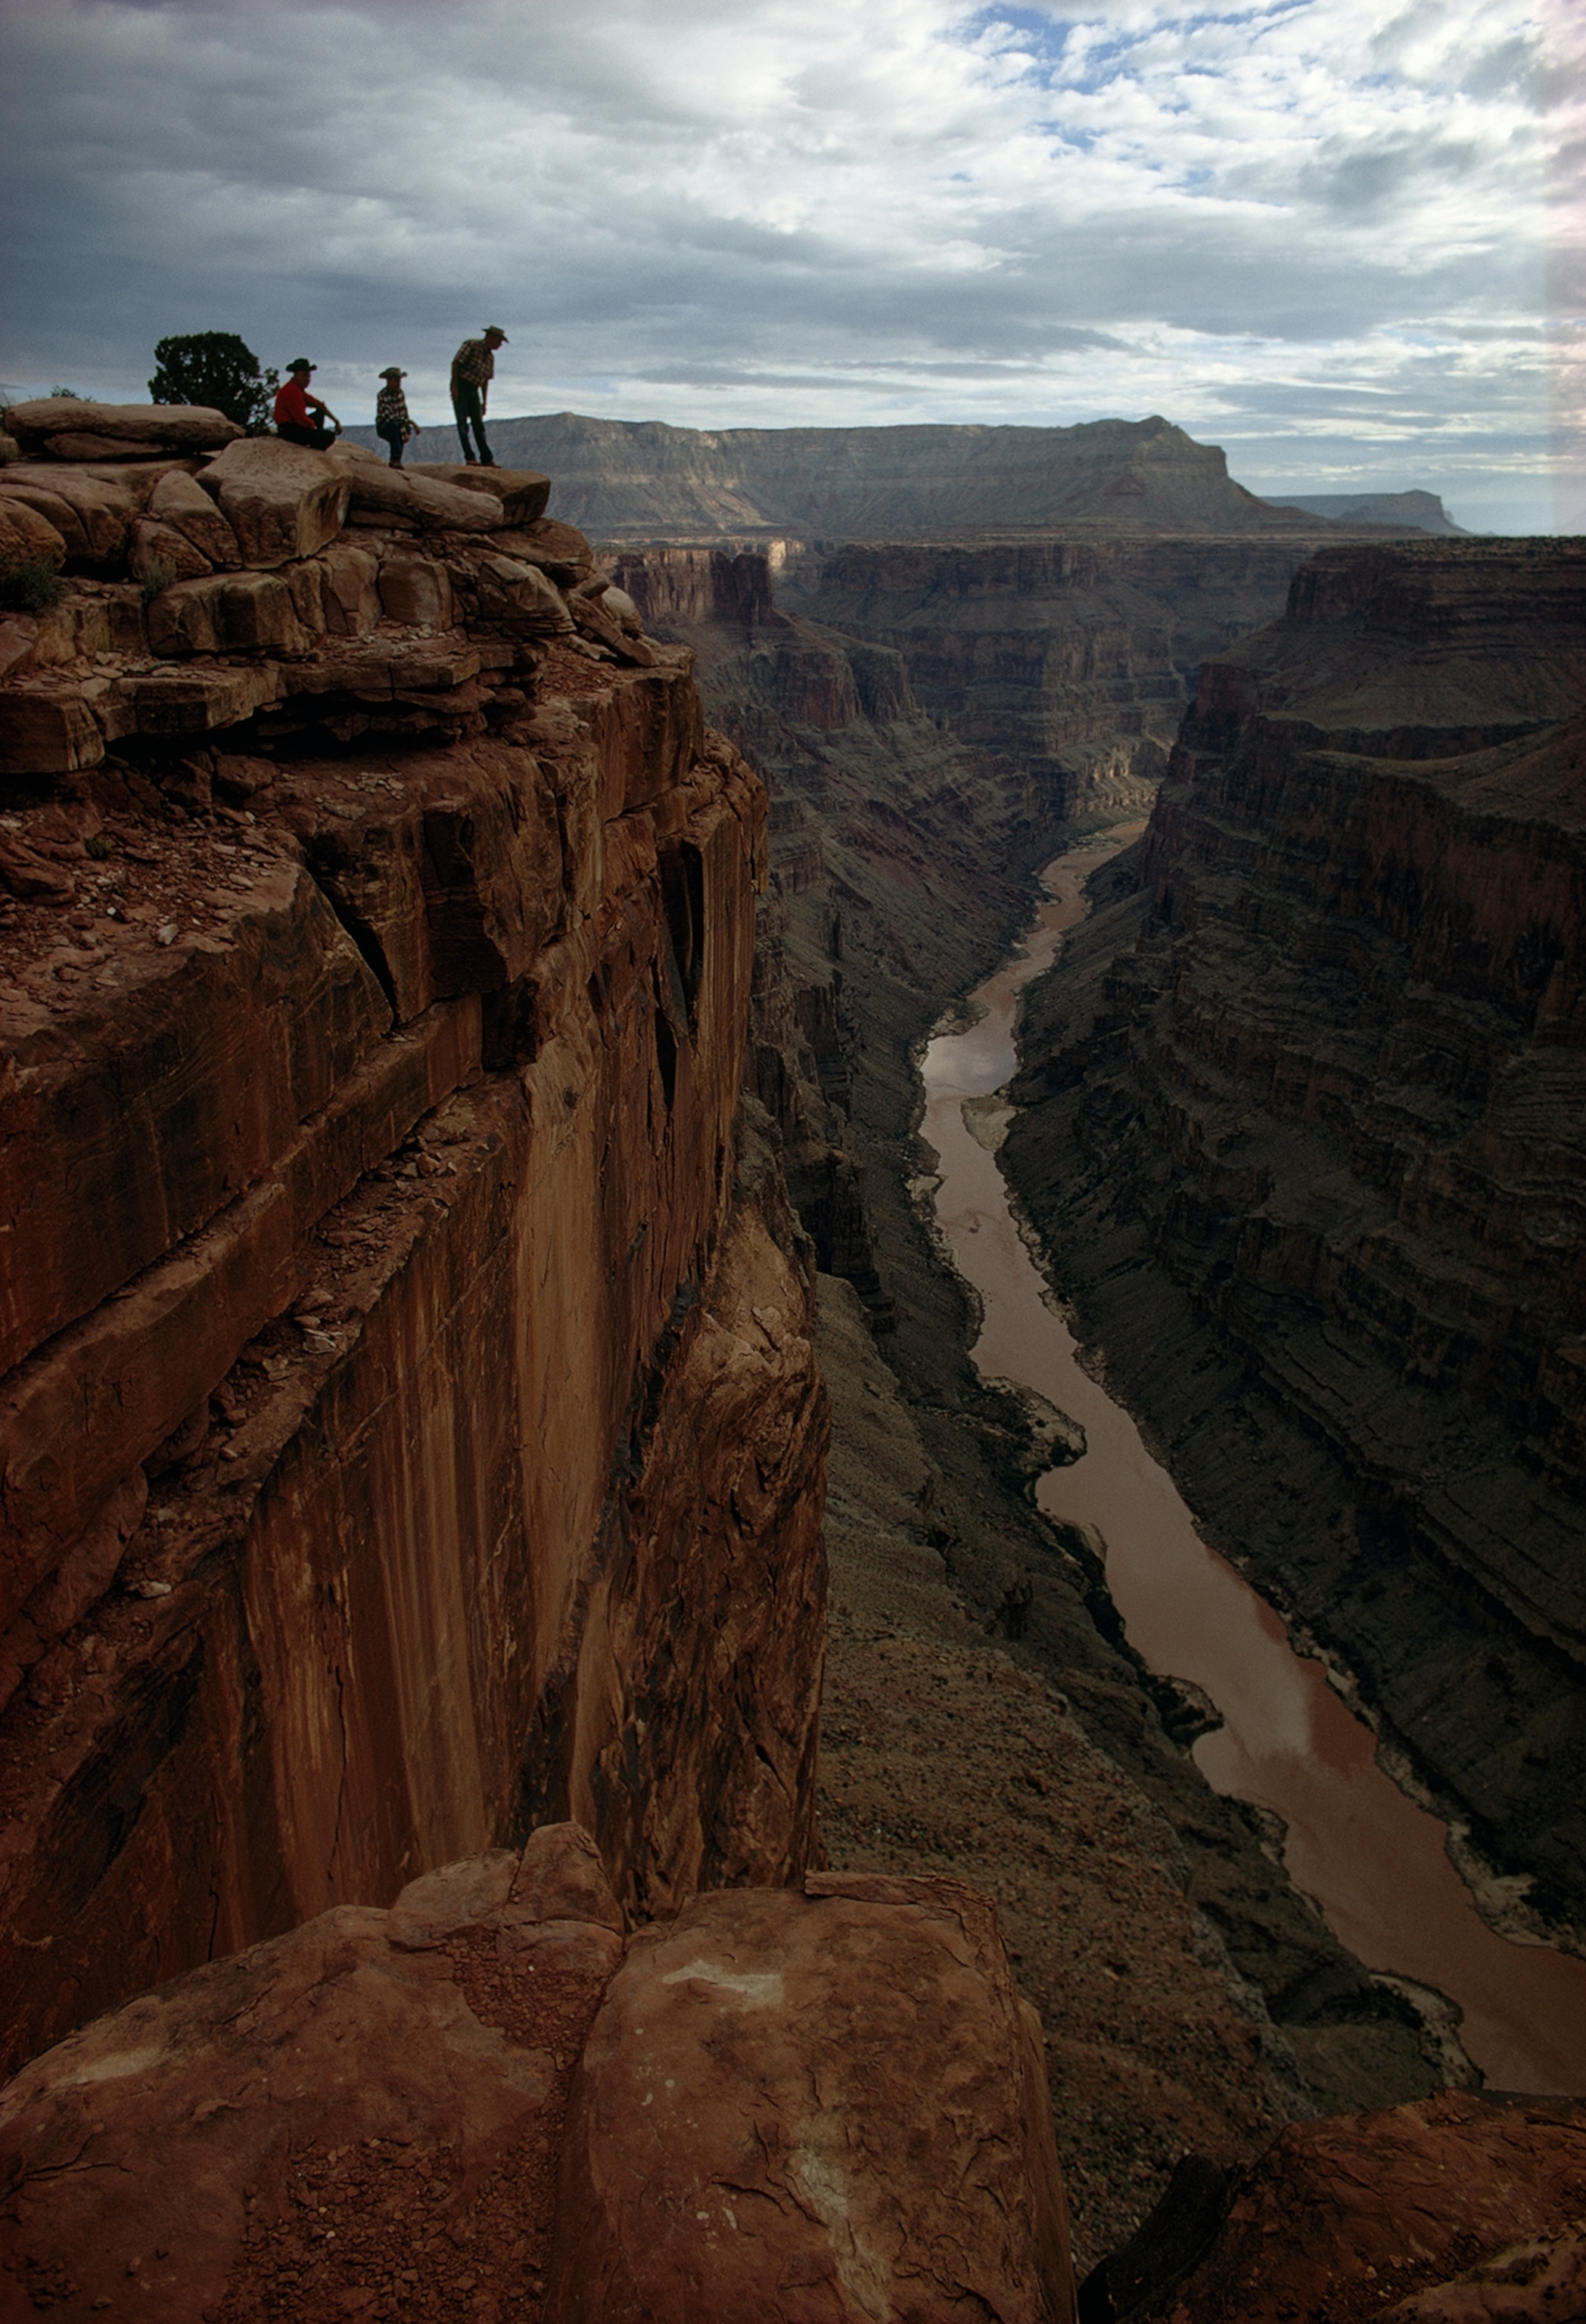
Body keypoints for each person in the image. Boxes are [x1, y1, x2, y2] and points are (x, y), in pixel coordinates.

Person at [449, 327, 506, 465]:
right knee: (463, 424)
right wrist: (455, 387)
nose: (500, 345)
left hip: (474, 389)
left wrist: (484, 402)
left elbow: (485, 380)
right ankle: (470, 457)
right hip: (462, 385)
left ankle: (486, 458)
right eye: (499, 341)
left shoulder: (490, 358)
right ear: (491, 338)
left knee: (478, 424)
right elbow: (456, 363)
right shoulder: (472, 345)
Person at [272, 359, 341, 449]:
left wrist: (336, 421)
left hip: (294, 426)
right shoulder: (292, 392)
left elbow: (318, 404)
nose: (307, 379)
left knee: (320, 413)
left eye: (309, 376)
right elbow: (300, 418)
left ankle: (315, 439)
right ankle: (314, 446)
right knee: (328, 436)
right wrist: (314, 428)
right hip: (288, 430)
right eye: (304, 375)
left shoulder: (298, 390)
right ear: (296, 375)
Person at [375, 366, 419, 467]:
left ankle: (396, 460)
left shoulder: (400, 394)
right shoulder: (382, 395)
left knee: (398, 429)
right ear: (389, 381)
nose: (399, 384)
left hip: (399, 423)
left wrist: (407, 430)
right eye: (396, 381)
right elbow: (389, 416)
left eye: (399, 381)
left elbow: (404, 412)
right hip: (384, 425)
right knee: (394, 426)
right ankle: (395, 459)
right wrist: (410, 423)